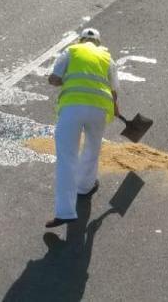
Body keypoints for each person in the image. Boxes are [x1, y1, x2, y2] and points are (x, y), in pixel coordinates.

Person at [45, 28, 120, 229]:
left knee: (67, 158)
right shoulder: (107, 58)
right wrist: (115, 108)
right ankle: (85, 187)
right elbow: (113, 92)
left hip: (72, 108)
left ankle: (65, 212)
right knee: (92, 148)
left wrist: (65, 81)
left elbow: (53, 79)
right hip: (98, 110)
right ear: (98, 42)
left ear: (82, 40)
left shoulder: (72, 51)